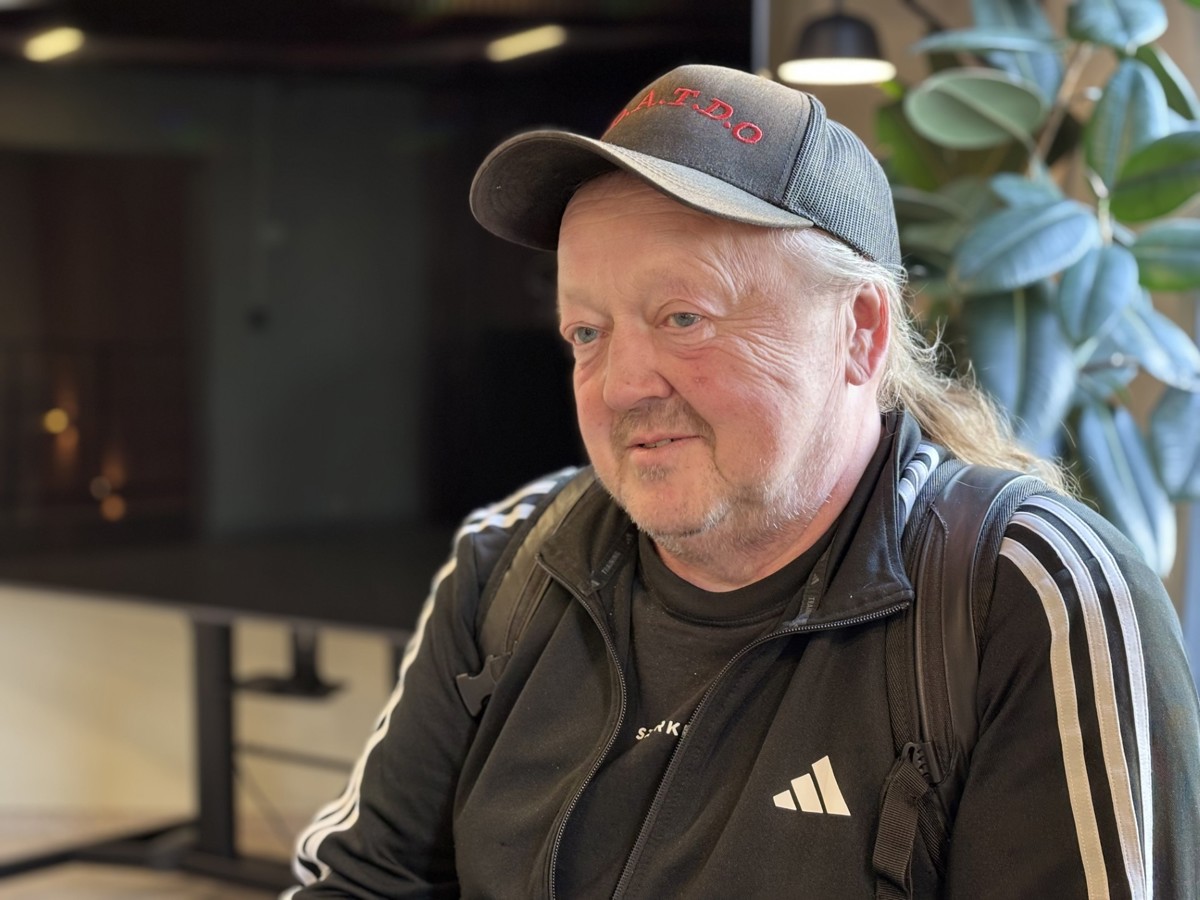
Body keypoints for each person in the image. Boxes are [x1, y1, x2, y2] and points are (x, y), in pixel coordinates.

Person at [286, 64, 1200, 898]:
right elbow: (359, 884)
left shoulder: (1024, 599)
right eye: (587, 332)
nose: (621, 388)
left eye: (683, 316)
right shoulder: (512, 565)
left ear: (860, 332)